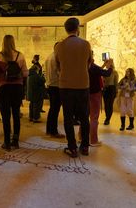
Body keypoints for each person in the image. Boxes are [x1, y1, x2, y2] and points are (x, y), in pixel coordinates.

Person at [55, 17, 92, 157]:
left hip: (65, 85)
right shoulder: (86, 44)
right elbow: (89, 63)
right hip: (83, 84)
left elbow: (58, 65)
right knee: (84, 117)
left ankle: (72, 147)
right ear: (78, 29)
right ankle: (85, 146)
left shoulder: (60, 46)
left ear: (66, 29)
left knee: (68, 117)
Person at [0, 35, 28, 151]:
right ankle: (16, 141)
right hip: (17, 88)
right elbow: (25, 73)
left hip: (4, 87)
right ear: (13, 42)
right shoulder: (20, 55)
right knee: (16, 114)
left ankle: (6, 142)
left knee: (6, 115)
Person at [88, 53, 113, 146]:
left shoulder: (84, 66)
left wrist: (104, 65)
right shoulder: (93, 67)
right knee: (94, 118)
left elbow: (98, 71)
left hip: (86, 93)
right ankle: (93, 140)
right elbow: (107, 73)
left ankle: (81, 137)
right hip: (94, 94)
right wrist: (110, 65)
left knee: (84, 117)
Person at [44, 42, 65, 138]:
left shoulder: (49, 57)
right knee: (55, 110)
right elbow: (59, 73)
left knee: (52, 109)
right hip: (56, 86)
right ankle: (54, 131)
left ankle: (49, 130)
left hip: (50, 85)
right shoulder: (56, 58)